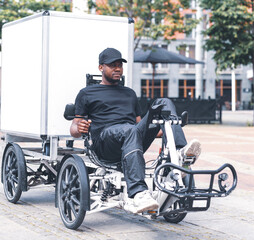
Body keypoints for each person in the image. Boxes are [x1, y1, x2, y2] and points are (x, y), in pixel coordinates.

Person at [70, 48, 201, 213]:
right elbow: (74, 128)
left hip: (131, 138)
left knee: (164, 103)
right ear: (101, 68)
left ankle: (179, 152)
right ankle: (138, 192)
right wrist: (79, 127)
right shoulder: (86, 93)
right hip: (104, 143)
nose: (117, 69)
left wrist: (169, 130)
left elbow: (140, 125)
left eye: (120, 65)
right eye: (112, 65)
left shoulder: (129, 94)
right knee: (130, 130)